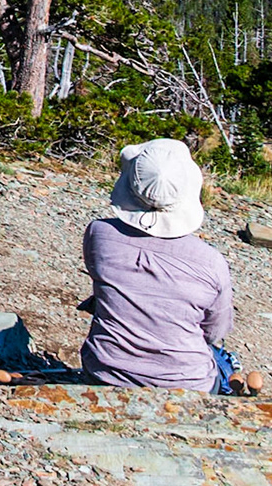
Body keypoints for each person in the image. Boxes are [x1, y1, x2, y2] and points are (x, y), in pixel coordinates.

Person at [78, 138, 241, 393]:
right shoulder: (211, 261)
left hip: (105, 370)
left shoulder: (99, 235)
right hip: (187, 383)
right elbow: (214, 330)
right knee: (220, 358)